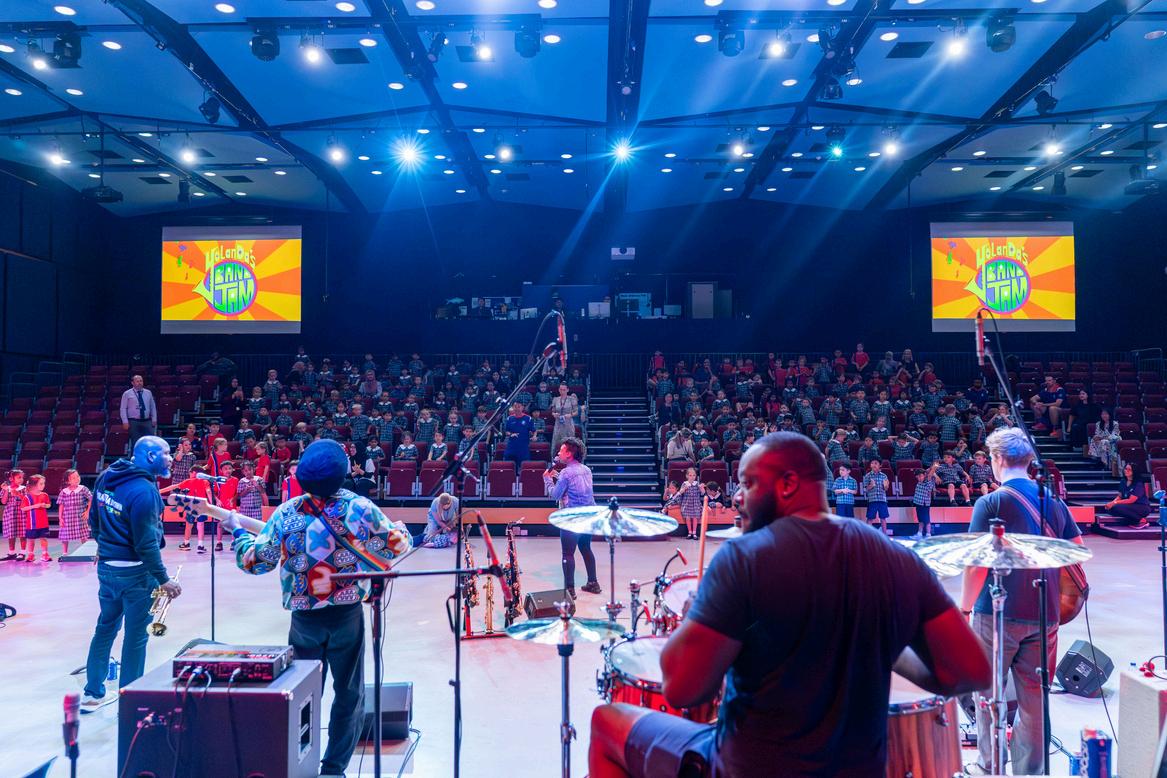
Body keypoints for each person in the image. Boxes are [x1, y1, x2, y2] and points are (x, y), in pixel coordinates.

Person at [589, 432, 990, 777]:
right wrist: (888, 646)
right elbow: (970, 671)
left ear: (787, 484)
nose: (737, 496)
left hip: (750, 766)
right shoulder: (900, 560)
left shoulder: (744, 558)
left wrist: (698, 613)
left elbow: (682, 688)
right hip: (859, 769)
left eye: (748, 483)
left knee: (608, 721)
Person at [221, 439, 411, 778]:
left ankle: (298, 762)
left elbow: (256, 562)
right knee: (349, 693)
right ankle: (334, 769)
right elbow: (396, 546)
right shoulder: (359, 507)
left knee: (303, 693)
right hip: (347, 613)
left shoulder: (286, 512)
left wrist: (238, 533)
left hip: (304, 617)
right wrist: (401, 530)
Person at [960, 427, 1084, 775]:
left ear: (998, 459)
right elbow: (1076, 551)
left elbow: (976, 564)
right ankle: (1031, 771)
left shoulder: (991, 503)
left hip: (996, 614)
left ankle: (991, 765)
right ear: (1029, 460)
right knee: (1035, 696)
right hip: (1045, 613)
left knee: (988, 693)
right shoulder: (1052, 501)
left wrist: (965, 607)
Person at [81, 436, 181, 712]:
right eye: (167, 453)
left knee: (105, 628)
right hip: (137, 575)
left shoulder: (107, 475)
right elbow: (146, 544)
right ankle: (130, 701)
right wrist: (164, 579)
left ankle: (92, 694)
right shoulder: (145, 492)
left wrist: (105, 547)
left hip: (107, 569)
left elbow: (94, 520)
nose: (171, 459)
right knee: (136, 637)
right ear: (151, 457)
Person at [543, 437, 601, 597]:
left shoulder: (566, 473)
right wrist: (558, 476)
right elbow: (576, 488)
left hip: (572, 518)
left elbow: (556, 495)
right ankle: (593, 583)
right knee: (585, 547)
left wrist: (548, 480)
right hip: (588, 516)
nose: (558, 453)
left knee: (567, 554)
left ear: (569, 454)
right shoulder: (586, 470)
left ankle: (570, 590)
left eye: (561, 450)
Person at [161, 464, 212, 553]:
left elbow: (174, 486)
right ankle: (200, 546)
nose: (189, 474)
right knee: (200, 525)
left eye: (190, 473)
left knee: (189, 525)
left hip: (191, 506)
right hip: (202, 505)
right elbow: (208, 492)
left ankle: (186, 544)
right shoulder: (205, 481)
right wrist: (211, 504)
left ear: (194, 472)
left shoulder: (188, 481)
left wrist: (160, 491)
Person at [56, 469, 93, 558]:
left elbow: (91, 499)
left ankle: (85, 550)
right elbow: (61, 505)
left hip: (80, 517)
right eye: (73, 478)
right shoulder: (64, 492)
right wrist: (60, 518)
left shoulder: (83, 489)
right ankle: (65, 553)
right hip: (67, 517)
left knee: (83, 535)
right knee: (65, 535)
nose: (77, 479)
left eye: (77, 476)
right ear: (67, 481)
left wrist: (87, 511)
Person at [1103, 463, 1150, 528]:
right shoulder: (1123, 481)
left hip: (1141, 506)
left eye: (1129, 469)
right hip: (1129, 506)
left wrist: (1114, 503)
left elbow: (1131, 500)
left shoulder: (1138, 483)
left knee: (1116, 507)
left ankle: (1141, 520)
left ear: (1134, 471)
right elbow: (1120, 496)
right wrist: (1111, 503)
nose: (1126, 471)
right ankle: (1133, 520)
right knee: (1109, 509)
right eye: (1125, 469)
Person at [665, 467, 705, 540]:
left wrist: (701, 488)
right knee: (688, 518)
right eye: (690, 475)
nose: (692, 477)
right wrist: (684, 489)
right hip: (687, 503)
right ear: (687, 476)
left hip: (695, 503)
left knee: (695, 518)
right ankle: (690, 532)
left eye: (694, 475)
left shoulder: (697, 484)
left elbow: (703, 493)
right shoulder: (684, 484)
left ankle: (694, 533)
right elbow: (680, 492)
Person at [119, 374, 158, 449]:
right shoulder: (127, 394)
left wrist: (154, 419)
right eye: (137, 381)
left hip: (147, 421)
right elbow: (123, 408)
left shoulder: (148, 392)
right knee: (136, 442)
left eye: (141, 381)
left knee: (150, 442)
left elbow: (153, 407)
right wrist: (125, 421)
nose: (140, 383)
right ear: (132, 383)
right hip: (134, 421)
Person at [20, 474, 52, 563]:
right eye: (41, 484)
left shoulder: (44, 495)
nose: (43, 485)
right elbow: (23, 508)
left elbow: (49, 505)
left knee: (43, 538)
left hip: (43, 523)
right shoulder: (27, 497)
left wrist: (45, 505)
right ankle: (31, 554)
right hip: (32, 524)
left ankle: (45, 554)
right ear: (33, 485)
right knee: (31, 539)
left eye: (43, 483)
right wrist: (35, 506)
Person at [1, 468, 27, 560]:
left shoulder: (24, 489)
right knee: (11, 533)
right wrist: (5, 490)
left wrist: (18, 494)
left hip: (21, 512)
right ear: (11, 479)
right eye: (19, 477)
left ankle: (22, 552)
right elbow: (3, 502)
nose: (21, 479)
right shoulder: (6, 489)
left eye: (22, 477)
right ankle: (11, 553)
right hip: (10, 513)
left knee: (22, 533)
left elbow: (27, 500)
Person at [550, 383, 580, 456]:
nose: (562, 391)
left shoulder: (572, 399)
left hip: (568, 423)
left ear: (567, 390)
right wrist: (554, 414)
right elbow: (552, 411)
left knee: (569, 441)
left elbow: (576, 412)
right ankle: (555, 458)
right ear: (559, 390)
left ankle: (570, 457)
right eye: (561, 389)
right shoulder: (555, 399)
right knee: (557, 441)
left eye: (564, 390)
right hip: (558, 423)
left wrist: (570, 415)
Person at [863, 459, 891, 535]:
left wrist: (886, 486)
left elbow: (886, 488)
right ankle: (868, 535)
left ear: (880, 465)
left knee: (883, 518)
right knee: (870, 518)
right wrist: (871, 485)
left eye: (876, 463)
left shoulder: (884, 476)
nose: (874, 465)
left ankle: (884, 535)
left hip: (882, 500)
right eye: (872, 463)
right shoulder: (868, 476)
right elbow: (865, 489)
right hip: (872, 500)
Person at [504, 401, 535, 469]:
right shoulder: (509, 418)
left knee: (525, 468)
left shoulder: (528, 418)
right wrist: (511, 434)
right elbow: (506, 431)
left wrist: (534, 436)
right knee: (509, 467)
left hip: (523, 448)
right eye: (515, 407)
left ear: (522, 407)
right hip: (511, 447)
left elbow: (534, 431)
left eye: (519, 407)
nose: (517, 408)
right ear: (513, 408)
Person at [910, 464, 937, 540]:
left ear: (924, 475)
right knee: (920, 520)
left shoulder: (927, 481)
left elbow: (930, 474)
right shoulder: (920, 482)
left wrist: (934, 468)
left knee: (926, 520)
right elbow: (927, 470)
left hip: (924, 504)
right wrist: (930, 468)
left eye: (920, 476)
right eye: (917, 477)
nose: (919, 478)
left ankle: (928, 534)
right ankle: (919, 533)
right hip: (918, 503)